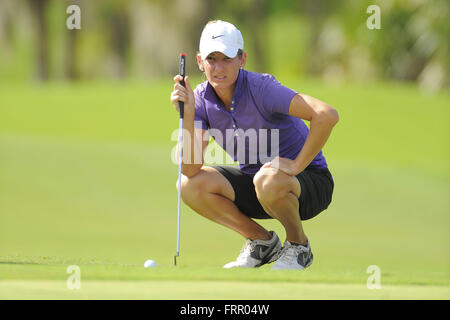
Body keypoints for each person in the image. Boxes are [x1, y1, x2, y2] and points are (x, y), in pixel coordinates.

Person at [170, 20, 338, 270]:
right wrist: (189, 113)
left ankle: (298, 247)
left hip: (309, 183)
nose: (218, 67)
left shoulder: (262, 89)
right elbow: (190, 169)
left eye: (227, 58)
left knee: (267, 180)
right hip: (258, 183)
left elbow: (326, 114)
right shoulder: (201, 100)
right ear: (199, 62)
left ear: (242, 59)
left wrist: (295, 165)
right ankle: (262, 242)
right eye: (212, 59)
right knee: (188, 185)